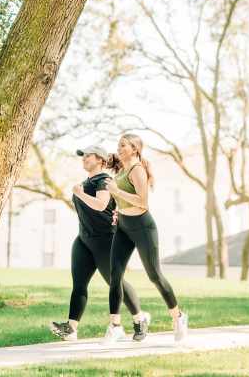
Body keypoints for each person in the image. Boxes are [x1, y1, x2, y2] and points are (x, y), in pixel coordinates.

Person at [50, 144, 150, 342]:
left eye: (89, 156)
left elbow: (101, 204)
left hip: (106, 241)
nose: (84, 159)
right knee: (79, 285)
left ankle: (140, 319)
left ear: (101, 160)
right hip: (84, 240)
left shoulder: (104, 180)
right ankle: (71, 328)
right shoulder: (85, 182)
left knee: (115, 282)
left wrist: (79, 194)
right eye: (83, 156)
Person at [104, 133, 188, 343]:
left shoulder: (137, 169)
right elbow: (120, 196)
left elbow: (142, 202)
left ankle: (178, 317)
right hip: (124, 226)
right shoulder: (122, 170)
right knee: (115, 275)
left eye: (124, 146)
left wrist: (116, 191)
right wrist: (116, 209)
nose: (120, 148)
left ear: (135, 149)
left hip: (142, 227)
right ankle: (115, 326)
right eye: (119, 145)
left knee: (154, 275)